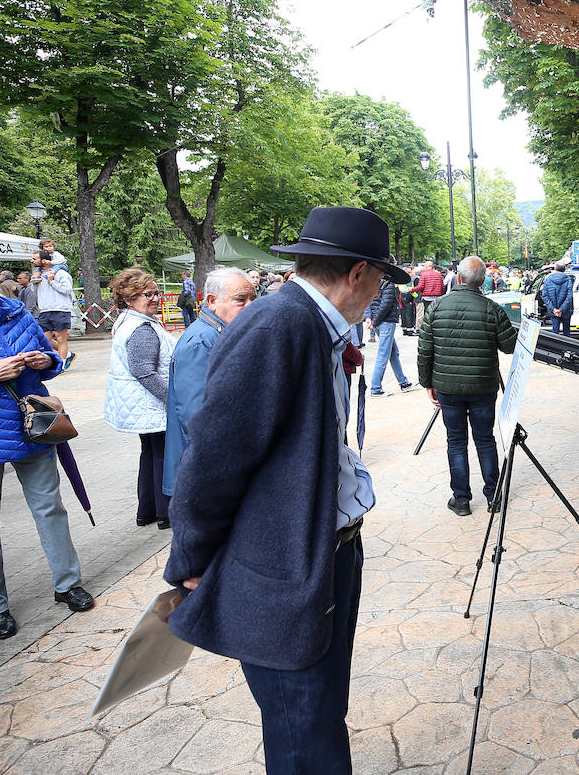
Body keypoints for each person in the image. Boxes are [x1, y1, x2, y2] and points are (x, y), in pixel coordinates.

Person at [165, 207, 408, 773]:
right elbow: (215, 456)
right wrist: (192, 557)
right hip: (283, 564)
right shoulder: (280, 324)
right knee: (305, 731)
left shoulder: (308, 324)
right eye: (379, 279)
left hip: (325, 551)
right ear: (358, 274)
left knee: (321, 713)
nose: (377, 293)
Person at [0, 251, 93, 639]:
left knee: (50, 510)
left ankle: (67, 583)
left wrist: (46, 361)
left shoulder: (18, 313)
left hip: (32, 432)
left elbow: (54, 361)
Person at [417, 256, 516, 516]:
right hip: (483, 387)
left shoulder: (436, 307)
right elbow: (510, 346)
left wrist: (427, 382)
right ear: (483, 281)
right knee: (485, 440)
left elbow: (425, 350)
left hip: (448, 387)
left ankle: (461, 500)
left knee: (456, 441)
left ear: (458, 278)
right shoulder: (492, 309)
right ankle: (494, 495)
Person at [163, 267, 255, 499]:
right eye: (240, 300)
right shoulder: (201, 342)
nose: (250, 306)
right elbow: (196, 418)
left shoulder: (220, 333)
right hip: (210, 473)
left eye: (253, 298)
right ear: (212, 301)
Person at [104, 268, 177, 529]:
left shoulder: (129, 321)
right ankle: (165, 512)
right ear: (129, 297)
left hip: (142, 405)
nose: (156, 298)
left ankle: (147, 510)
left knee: (151, 453)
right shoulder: (141, 328)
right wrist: (173, 399)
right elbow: (144, 371)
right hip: (151, 404)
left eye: (157, 293)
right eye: (148, 294)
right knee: (162, 456)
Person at [364, 275, 412, 396]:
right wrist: (374, 321)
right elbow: (386, 305)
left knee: (393, 353)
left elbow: (366, 300)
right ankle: (376, 388)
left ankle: (403, 382)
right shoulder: (389, 284)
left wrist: (370, 318)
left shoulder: (372, 280)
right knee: (383, 355)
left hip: (378, 321)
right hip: (385, 322)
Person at [30, 245, 75, 367]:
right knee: (46, 339)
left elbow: (67, 289)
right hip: (44, 310)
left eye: (34, 259)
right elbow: (35, 292)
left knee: (61, 339)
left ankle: (61, 363)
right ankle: (68, 354)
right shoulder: (37, 274)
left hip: (60, 309)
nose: (32, 261)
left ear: (43, 261)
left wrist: (52, 281)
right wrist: (34, 282)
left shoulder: (60, 273)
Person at [541, 263, 575, 336]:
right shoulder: (568, 280)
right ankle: (567, 347)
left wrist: (553, 309)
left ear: (555, 269)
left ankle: (555, 347)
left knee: (555, 332)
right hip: (566, 311)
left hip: (554, 311)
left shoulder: (548, 279)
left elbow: (544, 295)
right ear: (564, 269)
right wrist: (561, 310)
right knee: (567, 332)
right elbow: (569, 297)